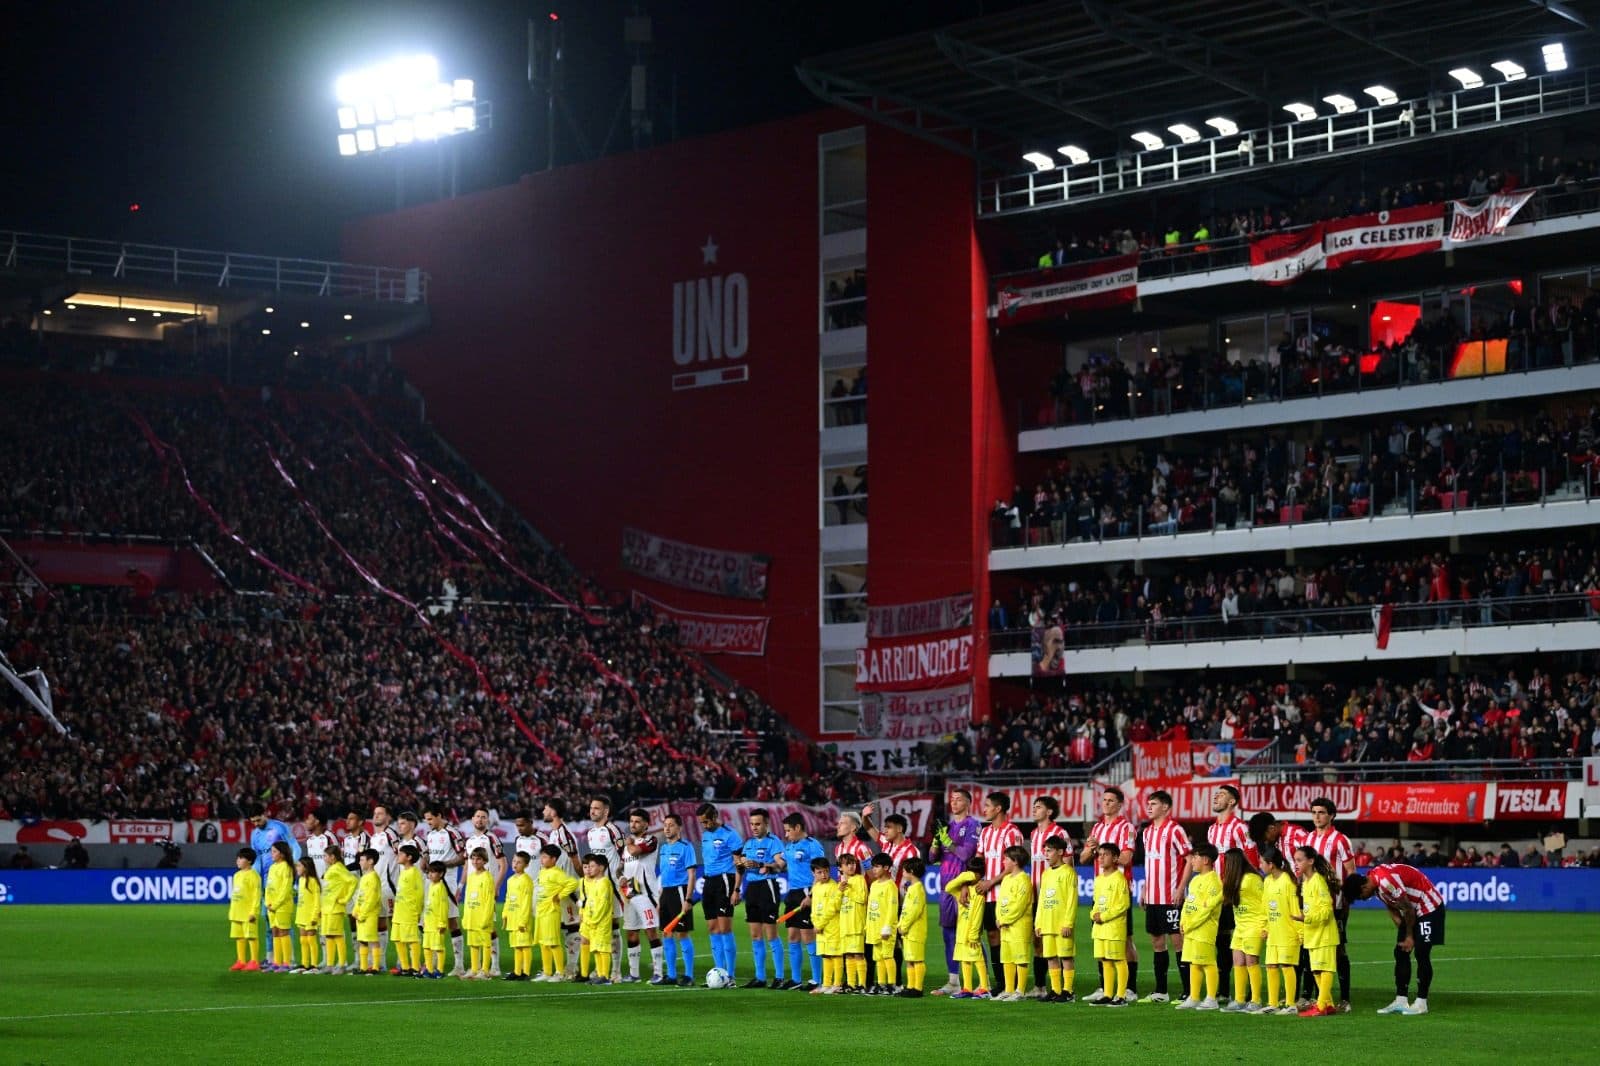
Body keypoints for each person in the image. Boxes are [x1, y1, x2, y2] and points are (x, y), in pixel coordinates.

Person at [1345, 862, 1446, 1016]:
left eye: (1361, 897)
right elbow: (1391, 905)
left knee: (1421, 952)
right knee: (1400, 952)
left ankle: (1421, 1003)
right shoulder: (1374, 883)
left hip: (1428, 907)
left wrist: (1410, 936)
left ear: (1363, 888)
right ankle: (1401, 1000)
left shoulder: (1386, 881)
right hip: (1412, 910)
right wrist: (1401, 927)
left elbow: (1407, 907)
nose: (1364, 899)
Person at [1080, 787, 1138, 1003]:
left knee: (1125, 940)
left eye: (1111, 800)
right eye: (1104, 800)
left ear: (1119, 804)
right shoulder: (1097, 827)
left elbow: (1125, 858)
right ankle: (1105, 987)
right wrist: (1092, 849)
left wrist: (1104, 852)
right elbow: (1084, 857)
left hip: (1117, 887)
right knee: (1101, 939)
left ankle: (1129, 988)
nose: (1106, 803)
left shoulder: (1126, 827)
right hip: (1100, 887)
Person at [927, 787, 981, 995]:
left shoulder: (973, 825)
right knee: (948, 935)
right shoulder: (947, 826)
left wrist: (947, 842)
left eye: (958, 800)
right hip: (946, 887)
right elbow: (932, 858)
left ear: (967, 803)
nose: (954, 803)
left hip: (965, 887)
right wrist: (935, 841)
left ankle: (982, 981)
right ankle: (953, 981)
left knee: (971, 935)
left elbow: (966, 854)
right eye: (952, 799)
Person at [1142, 788, 1192, 1003]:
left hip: (1170, 897)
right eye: (1149, 804)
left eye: (1153, 804)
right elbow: (1149, 864)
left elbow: (1189, 859)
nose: (1149, 807)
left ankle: (1189, 990)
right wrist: (1144, 888)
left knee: (1178, 941)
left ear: (1165, 807)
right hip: (1152, 897)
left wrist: (1181, 889)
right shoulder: (1146, 832)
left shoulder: (1175, 830)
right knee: (1156, 941)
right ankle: (1161, 991)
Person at [1207, 784, 1256, 1000]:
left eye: (1222, 795)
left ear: (1232, 802)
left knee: (1239, 942)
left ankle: (1242, 993)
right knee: (1219, 941)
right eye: (1216, 793)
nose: (1216, 796)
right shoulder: (1212, 829)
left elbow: (1252, 859)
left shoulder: (1240, 828)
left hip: (1235, 893)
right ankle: (1224, 990)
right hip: (1216, 894)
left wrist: (1242, 886)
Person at [1308, 796, 1357, 1011]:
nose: (1317, 816)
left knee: (1338, 949)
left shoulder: (1340, 840)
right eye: (1314, 812)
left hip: (1335, 904)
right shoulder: (1309, 839)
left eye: (1321, 812)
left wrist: (1346, 899)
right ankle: (1319, 997)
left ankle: (1345, 999)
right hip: (1312, 904)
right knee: (1310, 947)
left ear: (1331, 816)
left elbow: (1351, 872)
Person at [975, 791, 1024, 988]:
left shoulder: (1012, 832)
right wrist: (973, 880)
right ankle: (1001, 982)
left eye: (987, 805)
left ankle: (1013, 984)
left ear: (998, 809)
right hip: (987, 894)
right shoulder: (986, 832)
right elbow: (979, 858)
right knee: (993, 936)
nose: (984, 809)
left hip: (1005, 894)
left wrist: (991, 881)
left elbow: (1014, 864)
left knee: (1007, 937)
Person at [735, 807, 786, 988]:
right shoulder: (748, 844)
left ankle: (779, 977)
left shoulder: (774, 842)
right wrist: (736, 888)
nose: (754, 827)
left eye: (758, 824)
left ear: (766, 823)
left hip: (767, 886)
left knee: (771, 933)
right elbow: (740, 867)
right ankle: (760, 977)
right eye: (752, 824)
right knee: (755, 935)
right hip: (752, 888)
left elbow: (781, 864)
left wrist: (763, 864)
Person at [777, 812, 826, 990]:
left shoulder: (813, 846)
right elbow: (779, 864)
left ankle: (816, 980)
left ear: (798, 828)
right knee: (792, 936)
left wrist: (811, 895)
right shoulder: (789, 847)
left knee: (808, 936)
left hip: (807, 891)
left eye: (788, 830)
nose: (786, 834)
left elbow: (821, 872)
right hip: (793, 893)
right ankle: (796, 979)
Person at [697, 803, 743, 978]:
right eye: (702, 823)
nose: (705, 825)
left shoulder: (730, 835)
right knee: (712, 928)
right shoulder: (705, 835)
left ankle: (729, 975)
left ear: (715, 817)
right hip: (709, 881)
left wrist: (736, 889)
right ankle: (719, 972)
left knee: (724, 929)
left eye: (707, 821)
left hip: (725, 880)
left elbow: (739, 865)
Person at [249, 808, 300, 965]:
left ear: (265, 814)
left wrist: (292, 866)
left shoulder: (279, 827)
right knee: (268, 919)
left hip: (282, 877)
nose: (256, 824)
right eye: (253, 822)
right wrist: (255, 873)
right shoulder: (255, 834)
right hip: (266, 881)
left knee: (283, 920)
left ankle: (289, 957)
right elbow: (256, 857)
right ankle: (272, 957)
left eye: (258, 820)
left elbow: (294, 846)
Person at [1026, 796, 1066, 997]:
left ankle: (1060, 988)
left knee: (1057, 941)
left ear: (1049, 812)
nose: (1034, 809)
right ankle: (1040, 986)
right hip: (1035, 896)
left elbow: (1068, 865)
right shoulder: (1033, 834)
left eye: (1038, 807)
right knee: (1037, 939)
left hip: (1053, 897)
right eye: (1034, 806)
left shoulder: (1060, 833)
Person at [621, 808, 666, 984]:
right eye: (631, 821)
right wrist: (621, 877)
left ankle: (658, 974)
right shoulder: (627, 846)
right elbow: (622, 866)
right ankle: (634, 974)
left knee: (651, 931)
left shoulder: (651, 840)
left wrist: (629, 842)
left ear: (646, 824)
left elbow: (634, 851)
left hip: (647, 893)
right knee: (631, 932)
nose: (633, 824)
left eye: (637, 821)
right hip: (631, 891)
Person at [1294, 846, 1340, 1017]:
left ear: (1311, 861)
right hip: (1313, 932)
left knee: (1325, 968)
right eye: (1295, 860)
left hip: (1325, 933)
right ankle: (1328, 1004)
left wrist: (1307, 918)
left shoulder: (1318, 881)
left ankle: (1320, 1006)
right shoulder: (1306, 882)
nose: (1296, 864)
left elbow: (1327, 909)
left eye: (1299, 860)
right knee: (1316, 970)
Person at [1176, 843, 1222, 1010]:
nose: (1192, 861)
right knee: (1194, 963)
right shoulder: (1195, 880)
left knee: (1208, 963)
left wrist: (1190, 924)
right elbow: (1189, 903)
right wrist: (1182, 922)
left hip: (1204, 929)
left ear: (1206, 860)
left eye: (1194, 857)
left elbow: (1207, 909)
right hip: (1190, 928)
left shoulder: (1214, 881)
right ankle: (1194, 997)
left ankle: (1211, 999)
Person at [423, 805, 468, 976]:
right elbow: (428, 852)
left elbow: (463, 857)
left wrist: (444, 865)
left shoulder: (452, 833)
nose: (428, 823)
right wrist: (426, 860)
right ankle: (431, 964)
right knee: (430, 918)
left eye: (430, 819)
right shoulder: (431, 834)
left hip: (447, 882)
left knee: (452, 922)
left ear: (439, 816)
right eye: (426, 820)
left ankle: (459, 965)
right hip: (431, 882)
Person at [541, 800, 584, 976]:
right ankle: (562, 967)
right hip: (557, 888)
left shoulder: (564, 834)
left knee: (572, 925)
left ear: (554, 811)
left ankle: (572, 967)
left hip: (568, 887)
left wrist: (582, 883)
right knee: (559, 926)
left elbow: (575, 860)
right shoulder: (554, 834)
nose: (543, 810)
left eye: (546, 808)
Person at [1220, 848, 1265, 1012]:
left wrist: (1264, 926)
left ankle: (1256, 1000)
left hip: (1254, 925)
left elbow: (1264, 901)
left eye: (1227, 862)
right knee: (1238, 962)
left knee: (1251, 962)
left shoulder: (1252, 879)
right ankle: (1239, 1000)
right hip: (1240, 927)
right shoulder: (1234, 879)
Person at [656, 812, 699, 986]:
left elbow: (691, 874)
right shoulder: (664, 848)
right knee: (666, 932)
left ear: (679, 827)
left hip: (680, 892)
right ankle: (672, 975)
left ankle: (689, 975)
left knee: (682, 933)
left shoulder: (686, 847)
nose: (667, 828)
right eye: (665, 825)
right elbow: (664, 875)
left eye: (671, 825)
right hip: (666, 892)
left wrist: (688, 899)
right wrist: (660, 898)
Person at [465, 807, 507, 978]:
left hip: (486, 888)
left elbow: (503, 864)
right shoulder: (469, 841)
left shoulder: (492, 838)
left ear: (487, 821)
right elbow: (466, 865)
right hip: (472, 887)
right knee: (475, 928)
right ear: (472, 819)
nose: (480, 820)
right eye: (477, 817)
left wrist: (496, 886)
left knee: (489, 926)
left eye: (483, 817)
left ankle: (493, 966)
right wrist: (462, 887)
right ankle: (477, 968)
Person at [1034, 836, 1076, 1003]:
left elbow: (1072, 900)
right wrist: (1038, 922)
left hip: (1061, 925)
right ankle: (1056, 990)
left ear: (1060, 852)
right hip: (1047, 923)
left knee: (1066, 957)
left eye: (1049, 850)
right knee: (1051, 957)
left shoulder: (1068, 873)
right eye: (1045, 850)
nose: (1046, 854)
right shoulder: (1045, 874)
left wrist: (1068, 923)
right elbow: (1042, 900)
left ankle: (1068, 991)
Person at [1090, 841, 1132, 1007]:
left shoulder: (1119, 879)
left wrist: (1104, 916)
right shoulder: (1099, 879)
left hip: (1114, 927)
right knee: (1105, 960)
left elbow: (1123, 904)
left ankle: (1121, 996)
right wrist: (1093, 914)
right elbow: (1095, 903)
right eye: (1100, 855)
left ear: (1115, 858)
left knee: (1118, 960)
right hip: (1100, 928)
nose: (1101, 858)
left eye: (1105, 854)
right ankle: (1107, 994)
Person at [1261, 846, 1301, 1015]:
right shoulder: (1267, 881)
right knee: (1270, 966)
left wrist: (1301, 932)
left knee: (1286, 965)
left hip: (1287, 932)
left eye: (1262, 862)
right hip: (1273, 932)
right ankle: (1272, 1003)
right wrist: (1264, 926)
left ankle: (1291, 1004)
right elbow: (1264, 906)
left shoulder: (1287, 881)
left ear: (1271, 864)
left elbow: (1295, 909)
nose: (1260, 865)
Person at [993, 844, 1034, 1002]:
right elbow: (1000, 901)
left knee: (1020, 957)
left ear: (1015, 861)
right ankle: (1009, 990)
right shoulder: (1006, 879)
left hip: (1019, 925)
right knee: (1007, 957)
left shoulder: (1023, 880)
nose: (1003, 862)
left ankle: (1020, 991)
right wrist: (999, 918)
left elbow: (1020, 906)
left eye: (1006, 859)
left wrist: (1005, 919)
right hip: (1005, 925)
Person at [534, 843, 581, 980]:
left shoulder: (557, 873)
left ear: (554, 859)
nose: (541, 860)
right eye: (541, 857)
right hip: (541, 912)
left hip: (551, 912)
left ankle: (560, 973)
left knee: (553, 942)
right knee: (543, 942)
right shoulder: (542, 872)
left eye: (545, 857)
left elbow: (573, 883)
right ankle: (547, 972)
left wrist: (559, 895)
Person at [946, 855, 990, 999]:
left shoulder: (979, 891)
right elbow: (948, 887)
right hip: (961, 932)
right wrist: (965, 878)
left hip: (972, 933)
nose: (972, 876)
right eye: (970, 872)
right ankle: (967, 988)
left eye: (975, 874)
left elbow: (978, 915)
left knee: (977, 958)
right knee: (964, 958)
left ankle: (984, 987)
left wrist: (973, 934)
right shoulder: (961, 890)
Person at [577, 853, 616, 984]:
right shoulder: (594, 882)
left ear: (601, 867)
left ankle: (605, 976)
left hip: (601, 923)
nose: (590, 868)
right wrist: (586, 917)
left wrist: (594, 920)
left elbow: (603, 905)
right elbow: (589, 902)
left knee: (603, 948)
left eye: (593, 866)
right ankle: (600, 975)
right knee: (596, 949)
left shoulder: (605, 883)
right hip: (592, 922)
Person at [461, 847, 497, 980]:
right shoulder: (471, 877)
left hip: (482, 916)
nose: (475, 861)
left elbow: (489, 901)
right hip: (471, 915)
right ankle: (474, 969)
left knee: (485, 943)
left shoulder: (487, 877)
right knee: (473, 943)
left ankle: (485, 970)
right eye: (473, 858)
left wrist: (486, 918)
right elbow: (467, 898)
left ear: (485, 861)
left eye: (479, 859)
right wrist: (465, 916)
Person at [866, 852, 900, 993]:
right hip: (874, 927)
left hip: (885, 929)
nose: (874, 870)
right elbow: (870, 906)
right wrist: (867, 925)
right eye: (873, 867)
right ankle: (881, 984)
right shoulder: (874, 885)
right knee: (878, 957)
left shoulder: (890, 886)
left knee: (887, 955)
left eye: (877, 867)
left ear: (886, 867)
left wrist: (887, 927)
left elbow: (892, 908)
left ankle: (891, 985)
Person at [319, 845, 356, 974]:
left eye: (325, 856)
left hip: (335, 907)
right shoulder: (332, 869)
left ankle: (341, 964)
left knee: (337, 935)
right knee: (328, 935)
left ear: (332, 857)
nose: (324, 858)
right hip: (327, 907)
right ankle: (329, 964)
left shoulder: (338, 868)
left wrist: (345, 898)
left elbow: (352, 881)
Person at [896, 856, 929, 998]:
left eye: (904, 870)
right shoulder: (912, 888)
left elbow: (914, 911)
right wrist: (901, 925)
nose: (902, 873)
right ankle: (910, 986)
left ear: (911, 871)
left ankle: (918, 988)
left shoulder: (917, 889)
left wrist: (903, 925)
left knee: (917, 959)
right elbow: (906, 910)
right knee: (909, 959)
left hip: (915, 930)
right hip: (908, 930)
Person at [809, 856, 843, 995]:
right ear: (813, 874)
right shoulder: (816, 887)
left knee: (835, 955)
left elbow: (832, 908)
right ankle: (826, 984)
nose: (824, 875)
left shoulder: (833, 886)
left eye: (826, 871)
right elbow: (814, 908)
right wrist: (815, 923)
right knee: (826, 955)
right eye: (819, 872)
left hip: (832, 926)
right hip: (820, 927)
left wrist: (820, 924)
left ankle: (837, 984)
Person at [391, 843, 425, 977]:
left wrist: (416, 911)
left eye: (400, 854)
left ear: (409, 857)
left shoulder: (414, 872)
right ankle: (405, 967)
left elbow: (419, 893)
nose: (398, 856)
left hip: (409, 912)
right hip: (399, 911)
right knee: (398, 939)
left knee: (412, 940)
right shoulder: (403, 871)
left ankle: (415, 967)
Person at [500, 851, 534, 981]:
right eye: (514, 861)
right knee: (516, 946)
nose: (515, 864)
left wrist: (523, 921)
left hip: (521, 919)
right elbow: (508, 898)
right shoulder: (510, 880)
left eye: (519, 862)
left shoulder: (526, 880)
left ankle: (526, 972)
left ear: (526, 865)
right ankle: (517, 971)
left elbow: (526, 902)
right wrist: (505, 914)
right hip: (512, 918)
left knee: (525, 945)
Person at [837, 851, 868, 993]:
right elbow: (837, 905)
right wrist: (840, 891)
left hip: (856, 924)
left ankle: (862, 984)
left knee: (858, 954)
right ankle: (851, 984)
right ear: (840, 868)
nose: (851, 866)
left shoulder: (860, 879)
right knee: (848, 954)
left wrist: (847, 890)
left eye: (853, 863)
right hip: (845, 926)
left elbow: (862, 899)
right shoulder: (840, 884)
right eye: (847, 864)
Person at [228, 847, 262, 972]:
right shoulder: (236, 875)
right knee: (239, 936)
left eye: (241, 858)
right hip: (236, 912)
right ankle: (241, 960)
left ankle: (254, 961)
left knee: (251, 936)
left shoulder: (254, 876)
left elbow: (256, 895)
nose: (238, 860)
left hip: (248, 913)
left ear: (249, 861)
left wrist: (254, 911)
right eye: (238, 858)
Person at [264, 840, 295, 972]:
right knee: (275, 932)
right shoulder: (272, 867)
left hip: (282, 906)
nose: (272, 854)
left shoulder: (286, 867)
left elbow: (285, 889)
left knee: (283, 931)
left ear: (282, 854)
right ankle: (276, 962)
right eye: (271, 851)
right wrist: (268, 902)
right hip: (271, 906)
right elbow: (268, 887)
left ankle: (287, 962)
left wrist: (276, 904)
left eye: (274, 851)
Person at [353, 848, 383, 975]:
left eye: (362, 860)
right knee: (362, 940)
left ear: (370, 861)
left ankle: (376, 967)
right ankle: (364, 967)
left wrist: (363, 913)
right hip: (361, 914)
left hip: (369, 915)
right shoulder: (365, 876)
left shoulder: (373, 877)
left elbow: (372, 899)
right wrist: (356, 910)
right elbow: (361, 895)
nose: (359, 862)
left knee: (372, 940)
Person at [292, 857, 322, 975]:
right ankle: (305, 964)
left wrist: (315, 916)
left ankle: (314, 965)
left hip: (310, 915)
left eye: (299, 866)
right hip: (302, 914)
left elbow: (316, 900)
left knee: (311, 939)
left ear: (306, 867)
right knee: (303, 940)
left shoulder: (313, 881)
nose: (297, 868)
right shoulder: (300, 880)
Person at [422, 861, 451, 978]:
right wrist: (424, 920)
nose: (430, 874)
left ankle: (439, 970)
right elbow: (429, 905)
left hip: (436, 925)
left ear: (441, 874)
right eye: (429, 872)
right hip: (428, 924)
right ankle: (429, 970)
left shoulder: (440, 888)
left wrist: (442, 923)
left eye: (433, 872)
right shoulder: (431, 886)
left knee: (438, 947)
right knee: (427, 947)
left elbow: (443, 907)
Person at [303, 813, 337, 878]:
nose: (306, 821)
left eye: (309, 819)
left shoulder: (329, 837)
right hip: (314, 879)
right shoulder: (309, 839)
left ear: (317, 822)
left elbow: (338, 858)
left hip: (328, 880)